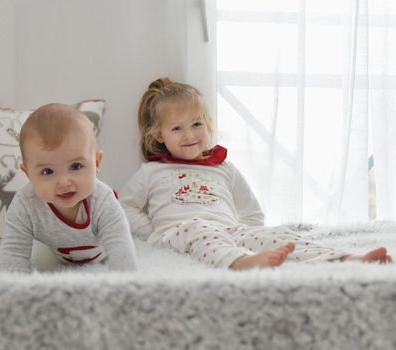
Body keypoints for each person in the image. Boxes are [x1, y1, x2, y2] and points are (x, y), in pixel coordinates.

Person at [120, 77, 392, 270]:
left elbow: (252, 212)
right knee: (201, 231)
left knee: (281, 236)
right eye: (177, 129)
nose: (190, 135)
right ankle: (240, 261)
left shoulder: (223, 168)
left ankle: (345, 258)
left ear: (208, 124)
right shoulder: (152, 171)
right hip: (182, 230)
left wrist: (251, 235)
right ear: (158, 135)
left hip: (228, 229)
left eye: (196, 124)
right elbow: (126, 207)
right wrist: (154, 230)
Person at [0, 103, 138, 273]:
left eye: (75, 167)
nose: (64, 182)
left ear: (96, 163)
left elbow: (120, 246)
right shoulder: (26, 204)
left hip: (103, 255)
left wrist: (127, 285)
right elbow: (13, 252)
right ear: (28, 174)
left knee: (122, 232)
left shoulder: (102, 200)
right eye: (47, 171)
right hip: (61, 259)